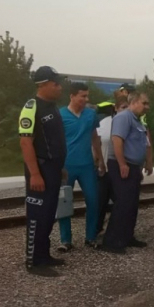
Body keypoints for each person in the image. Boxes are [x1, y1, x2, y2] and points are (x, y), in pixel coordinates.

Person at [18, 66, 68, 276]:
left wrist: (60, 167)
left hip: (54, 168)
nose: (60, 87)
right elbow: (25, 143)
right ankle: (34, 262)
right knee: (37, 215)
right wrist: (35, 174)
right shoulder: (31, 107)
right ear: (44, 84)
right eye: (56, 84)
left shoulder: (53, 107)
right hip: (40, 169)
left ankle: (44, 255)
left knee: (48, 214)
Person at [101, 91, 151, 254]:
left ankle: (127, 236)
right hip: (122, 165)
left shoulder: (137, 121)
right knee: (123, 204)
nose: (147, 107)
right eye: (144, 103)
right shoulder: (124, 117)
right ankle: (112, 241)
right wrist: (122, 164)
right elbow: (117, 141)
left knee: (131, 204)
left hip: (133, 166)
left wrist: (142, 164)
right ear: (134, 102)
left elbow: (143, 143)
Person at [57, 82, 105, 252]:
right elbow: (55, 142)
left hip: (86, 165)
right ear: (72, 96)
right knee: (64, 202)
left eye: (87, 96)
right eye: (83, 96)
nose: (86, 99)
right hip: (66, 166)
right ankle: (65, 239)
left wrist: (100, 159)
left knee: (93, 200)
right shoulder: (60, 115)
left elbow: (94, 138)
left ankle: (90, 237)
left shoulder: (91, 114)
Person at [95, 97, 128, 236]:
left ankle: (119, 230)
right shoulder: (105, 123)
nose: (125, 110)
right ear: (116, 108)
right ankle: (96, 230)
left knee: (122, 201)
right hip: (104, 169)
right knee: (101, 201)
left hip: (121, 169)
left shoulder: (132, 123)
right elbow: (96, 143)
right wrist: (97, 162)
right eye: (123, 107)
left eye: (128, 107)